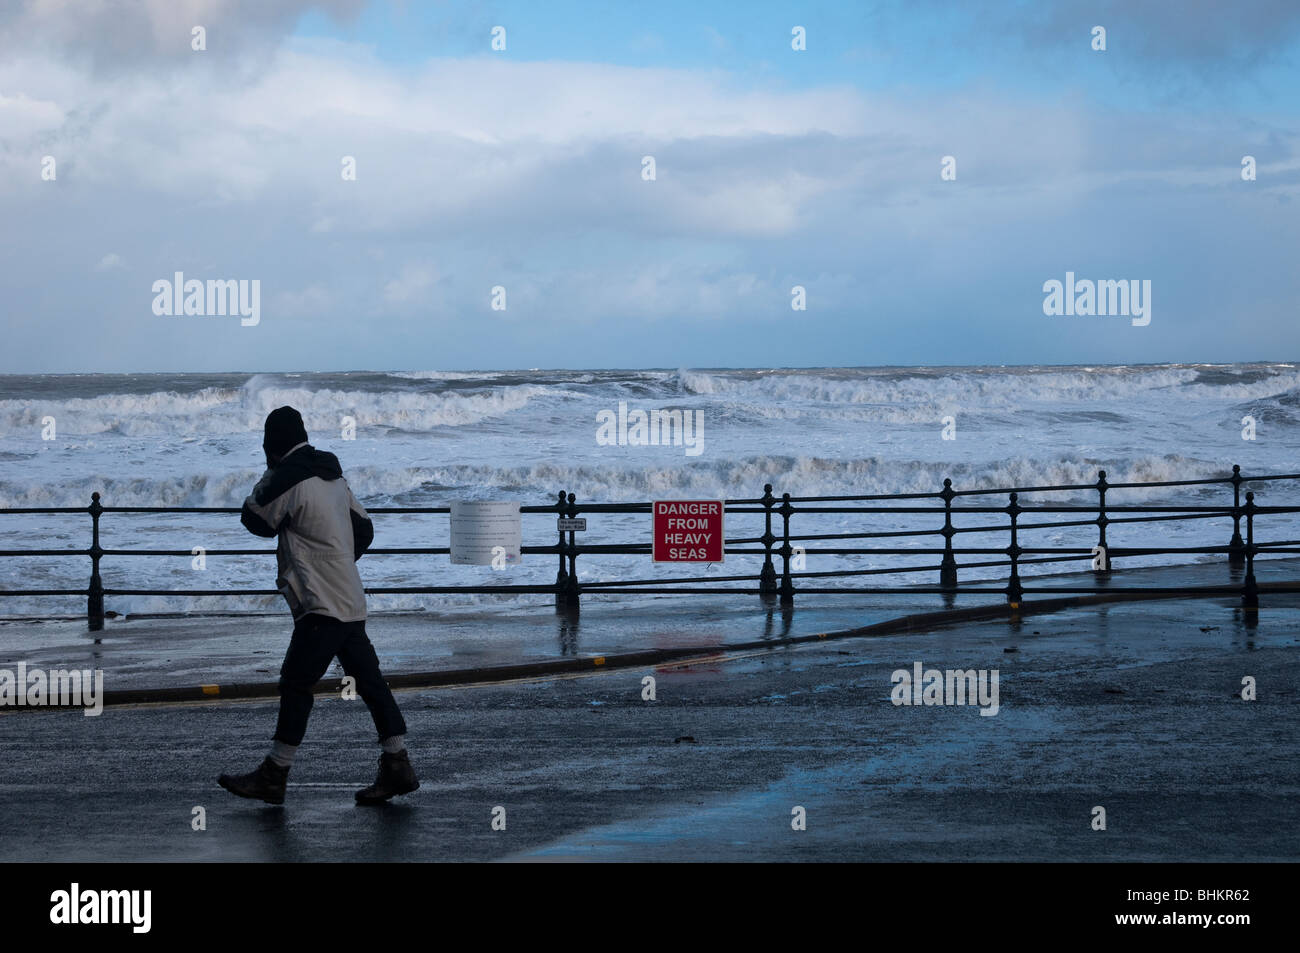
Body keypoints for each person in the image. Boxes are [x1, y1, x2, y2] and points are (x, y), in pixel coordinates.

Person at [218, 406, 418, 806]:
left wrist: (270, 472)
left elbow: (254, 517)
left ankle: (275, 773)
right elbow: (364, 528)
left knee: (296, 682)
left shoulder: (288, 480)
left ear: (271, 445)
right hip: (348, 596)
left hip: (320, 603)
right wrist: (340, 560)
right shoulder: (333, 476)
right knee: (371, 683)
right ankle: (397, 763)